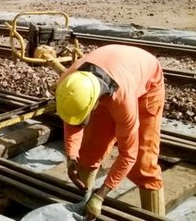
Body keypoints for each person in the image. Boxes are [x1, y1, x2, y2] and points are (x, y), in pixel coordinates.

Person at [55, 44, 165, 220]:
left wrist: (101, 195)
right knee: (89, 150)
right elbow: (71, 120)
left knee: (143, 163)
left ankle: (155, 217)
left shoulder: (123, 101)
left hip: (147, 79)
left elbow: (129, 154)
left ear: (95, 103)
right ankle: (83, 207)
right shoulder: (69, 83)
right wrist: (71, 157)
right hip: (112, 69)